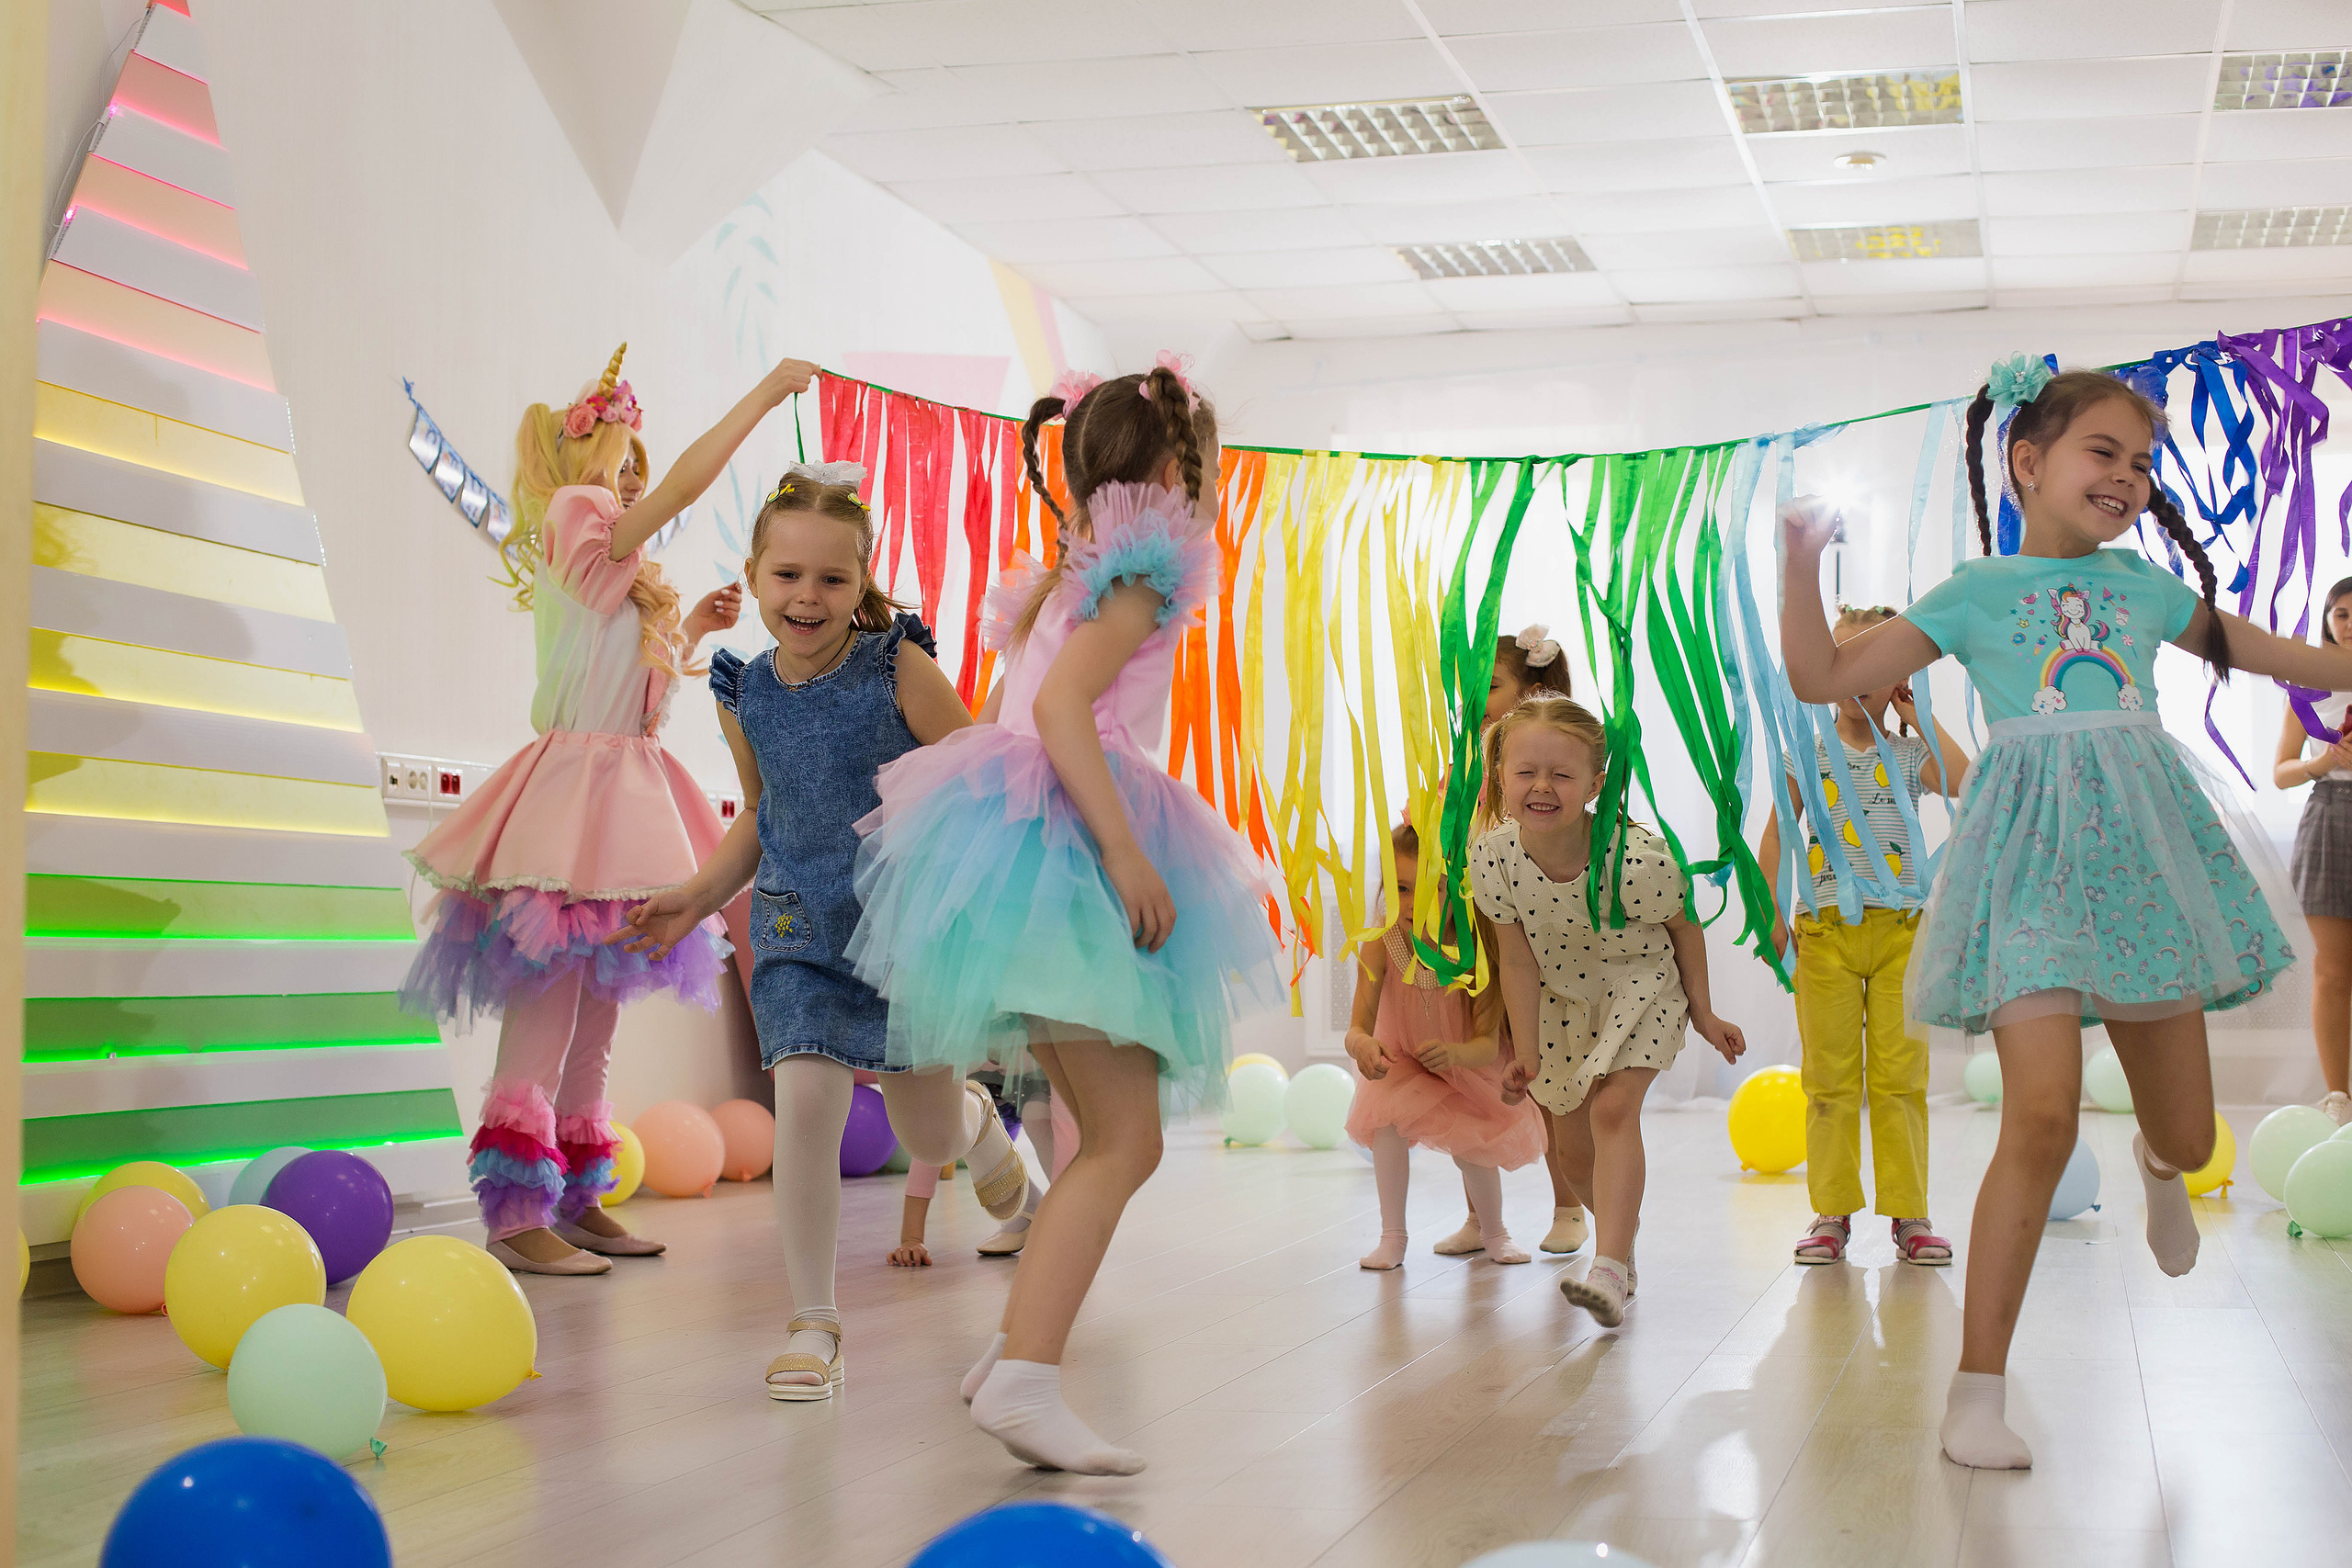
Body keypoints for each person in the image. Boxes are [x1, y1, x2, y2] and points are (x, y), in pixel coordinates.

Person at [1781, 358, 2345, 1471]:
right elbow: (1818, 675)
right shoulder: (1969, 594)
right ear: (2027, 462)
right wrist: (1798, 560)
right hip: (2027, 868)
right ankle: (1976, 1390)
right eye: (2104, 452)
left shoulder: (2144, 590)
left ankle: (2154, 1165)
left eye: (2142, 462)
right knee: (2035, 1117)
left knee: (2188, 1133)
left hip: (2141, 866)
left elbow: (2301, 660)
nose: (2129, 477)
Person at [846, 360, 1284, 1474]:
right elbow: (1053, 708)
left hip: (1020, 858)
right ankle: (1029, 1376)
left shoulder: (1068, 571)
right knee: (1125, 1139)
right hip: (1073, 850)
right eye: (1201, 468)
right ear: (1176, 469)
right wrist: (1125, 848)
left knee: (1111, 1132)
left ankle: (1009, 1360)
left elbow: (1024, 713)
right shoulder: (1140, 570)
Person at [616, 464, 1036, 1401]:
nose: (807, 597)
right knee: (804, 1102)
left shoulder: (899, 668)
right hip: (798, 930)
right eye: (787, 576)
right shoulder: (743, 692)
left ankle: (981, 1135)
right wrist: (693, 894)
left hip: (902, 939)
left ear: (862, 584)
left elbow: (977, 782)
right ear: (755, 577)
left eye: (832, 580)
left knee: (925, 1123)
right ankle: (814, 1321)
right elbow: (763, 814)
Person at [401, 345, 808, 1276]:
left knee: (600, 1011)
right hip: (573, 798)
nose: (635, 484)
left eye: (637, 470)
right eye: (625, 462)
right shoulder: (577, 515)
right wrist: (762, 394)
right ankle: (512, 1214)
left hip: (621, 788)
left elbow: (633, 692)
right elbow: (684, 486)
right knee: (546, 1011)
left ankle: (578, 1196)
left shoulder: (612, 563)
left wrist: (693, 630)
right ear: (591, 459)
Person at [1470, 694, 1747, 1327]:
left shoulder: (1633, 857)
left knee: (1614, 1109)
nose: (1542, 786)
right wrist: (1527, 1047)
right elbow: (1516, 959)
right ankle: (1620, 1247)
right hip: (1564, 1001)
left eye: (1561, 774)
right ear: (1500, 778)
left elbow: (1684, 927)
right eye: (1526, 772)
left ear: (1595, 783)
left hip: (1641, 986)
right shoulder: (1494, 857)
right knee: (1572, 1156)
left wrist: (1703, 1011)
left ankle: (1610, 1265)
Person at [1758, 604, 1973, 1265]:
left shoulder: (1910, 755)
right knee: (1829, 1080)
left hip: (1901, 933)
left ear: (1898, 680)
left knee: (1901, 1076)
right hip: (1823, 933)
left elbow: (1967, 781)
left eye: (1876, 670)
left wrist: (1917, 716)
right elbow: (1776, 836)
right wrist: (1767, 910)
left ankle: (1910, 1212)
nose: (1858, 681)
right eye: (1844, 663)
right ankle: (1832, 1211)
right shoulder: (1808, 752)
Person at [1430, 626, 1592, 1259]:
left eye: (1489, 687)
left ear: (1537, 688)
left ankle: (1569, 1203)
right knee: (1476, 1071)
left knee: (1545, 1068)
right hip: (1476, 935)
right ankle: (1482, 1215)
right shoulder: (1466, 763)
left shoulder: (1542, 767)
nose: (1476, 702)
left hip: (1537, 936)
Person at [1345, 821, 1547, 1270]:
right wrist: (1363, 1046)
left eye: (1428, 890)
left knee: (1471, 1143)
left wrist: (1454, 1056)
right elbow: (1356, 1027)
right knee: (1387, 1127)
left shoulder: (1477, 951)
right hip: (1404, 1063)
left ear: (1458, 891)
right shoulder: (1381, 942)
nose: (1411, 903)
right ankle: (1392, 1237)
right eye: (1399, 888)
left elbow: (1485, 1045)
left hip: (1466, 1069)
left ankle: (1495, 1232)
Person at [2272, 574, 2352, 1127]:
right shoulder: (2308, 686)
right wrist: (2321, 764)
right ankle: (2339, 1098)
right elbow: (2280, 772)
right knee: (2333, 971)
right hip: (2330, 818)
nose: (2350, 624)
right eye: (2341, 614)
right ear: (2327, 621)